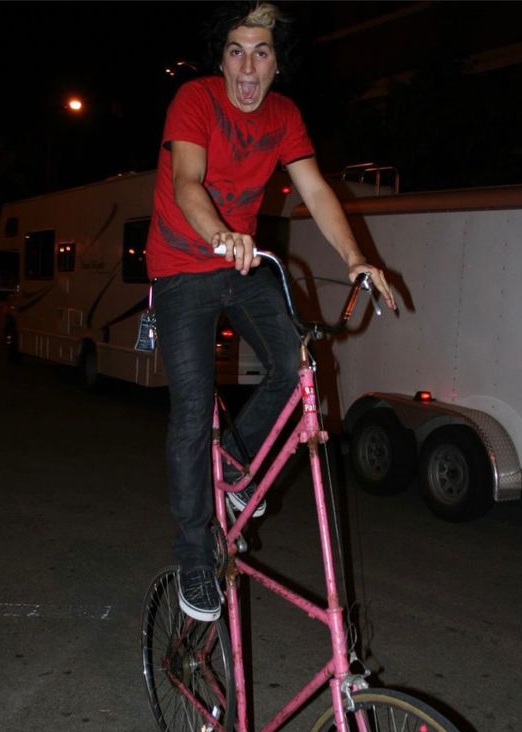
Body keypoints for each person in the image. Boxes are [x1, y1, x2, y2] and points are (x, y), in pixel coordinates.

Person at [146, 1, 395, 622]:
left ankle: (233, 460)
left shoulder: (285, 116)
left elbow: (315, 189)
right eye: (236, 50)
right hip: (182, 268)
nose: (248, 67)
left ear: (278, 61)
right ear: (221, 57)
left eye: (262, 51)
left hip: (243, 263)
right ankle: (194, 556)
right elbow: (188, 183)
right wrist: (218, 235)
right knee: (191, 410)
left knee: (296, 369)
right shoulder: (196, 101)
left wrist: (358, 258)